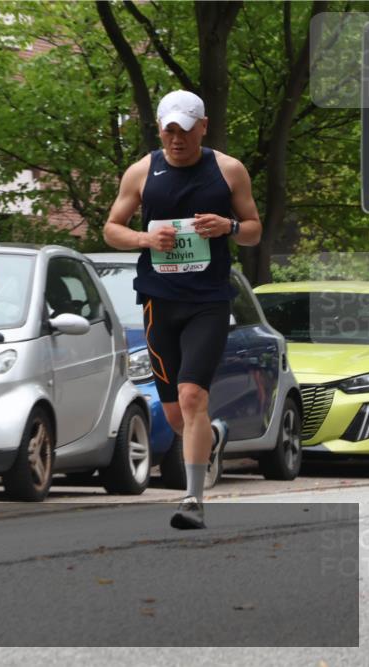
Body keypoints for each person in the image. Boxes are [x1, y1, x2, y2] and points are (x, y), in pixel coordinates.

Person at [103, 90, 262, 529]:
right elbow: (112, 228)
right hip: (160, 302)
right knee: (177, 415)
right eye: (169, 130)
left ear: (203, 127)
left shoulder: (228, 170)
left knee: (193, 396)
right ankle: (212, 436)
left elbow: (253, 230)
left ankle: (193, 500)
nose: (177, 139)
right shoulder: (142, 171)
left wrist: (229, 226)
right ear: (160, 129)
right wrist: (145, 239)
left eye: (186, 130)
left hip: (208, 301)